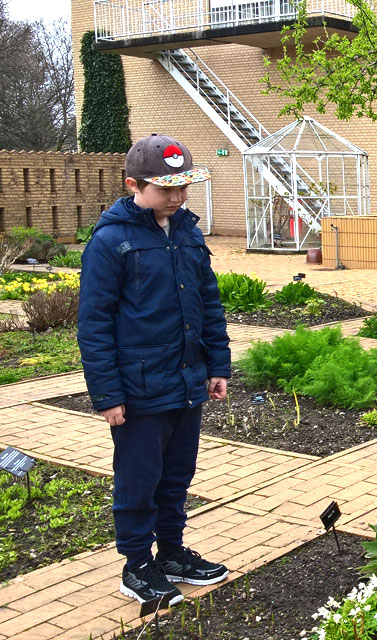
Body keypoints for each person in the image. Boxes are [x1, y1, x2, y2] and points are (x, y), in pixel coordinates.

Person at [78, 134, 232, 605]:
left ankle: (170, 553)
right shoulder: (111, 242)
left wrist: (217, 365)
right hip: (139, 388)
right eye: (167, 188)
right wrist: (108, 395)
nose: (178, 196)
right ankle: (137, 566)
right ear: (133, 185)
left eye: (183, 186)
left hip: (187, 381)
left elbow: (208, 302)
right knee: (138, 480)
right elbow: (95, 323)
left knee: (176, 476)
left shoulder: (188, 231)